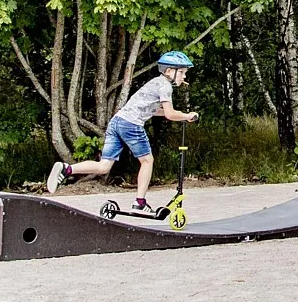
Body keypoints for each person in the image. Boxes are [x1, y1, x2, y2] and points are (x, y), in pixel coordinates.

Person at [48, 51, 198, 214]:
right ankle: (140, 203)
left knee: (104, 166)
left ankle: (66, 169)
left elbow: (154, 111)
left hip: (117, 121)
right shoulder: (165, 86)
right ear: (169, 71)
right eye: (182, 72)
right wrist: (187, 115)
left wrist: (182, 115)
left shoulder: (155, 83)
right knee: (147, 161)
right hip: (131, 124)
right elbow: (170, 114)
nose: (183, 77)